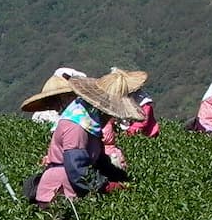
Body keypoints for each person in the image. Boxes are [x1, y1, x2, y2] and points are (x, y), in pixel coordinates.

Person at [31, 68, 145, 208]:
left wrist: (121, 178)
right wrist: (106, 186)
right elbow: (76, 167)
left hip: (74, 188)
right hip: (59, 194)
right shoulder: (76, 125)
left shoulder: (90, 122)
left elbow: (99, 160)